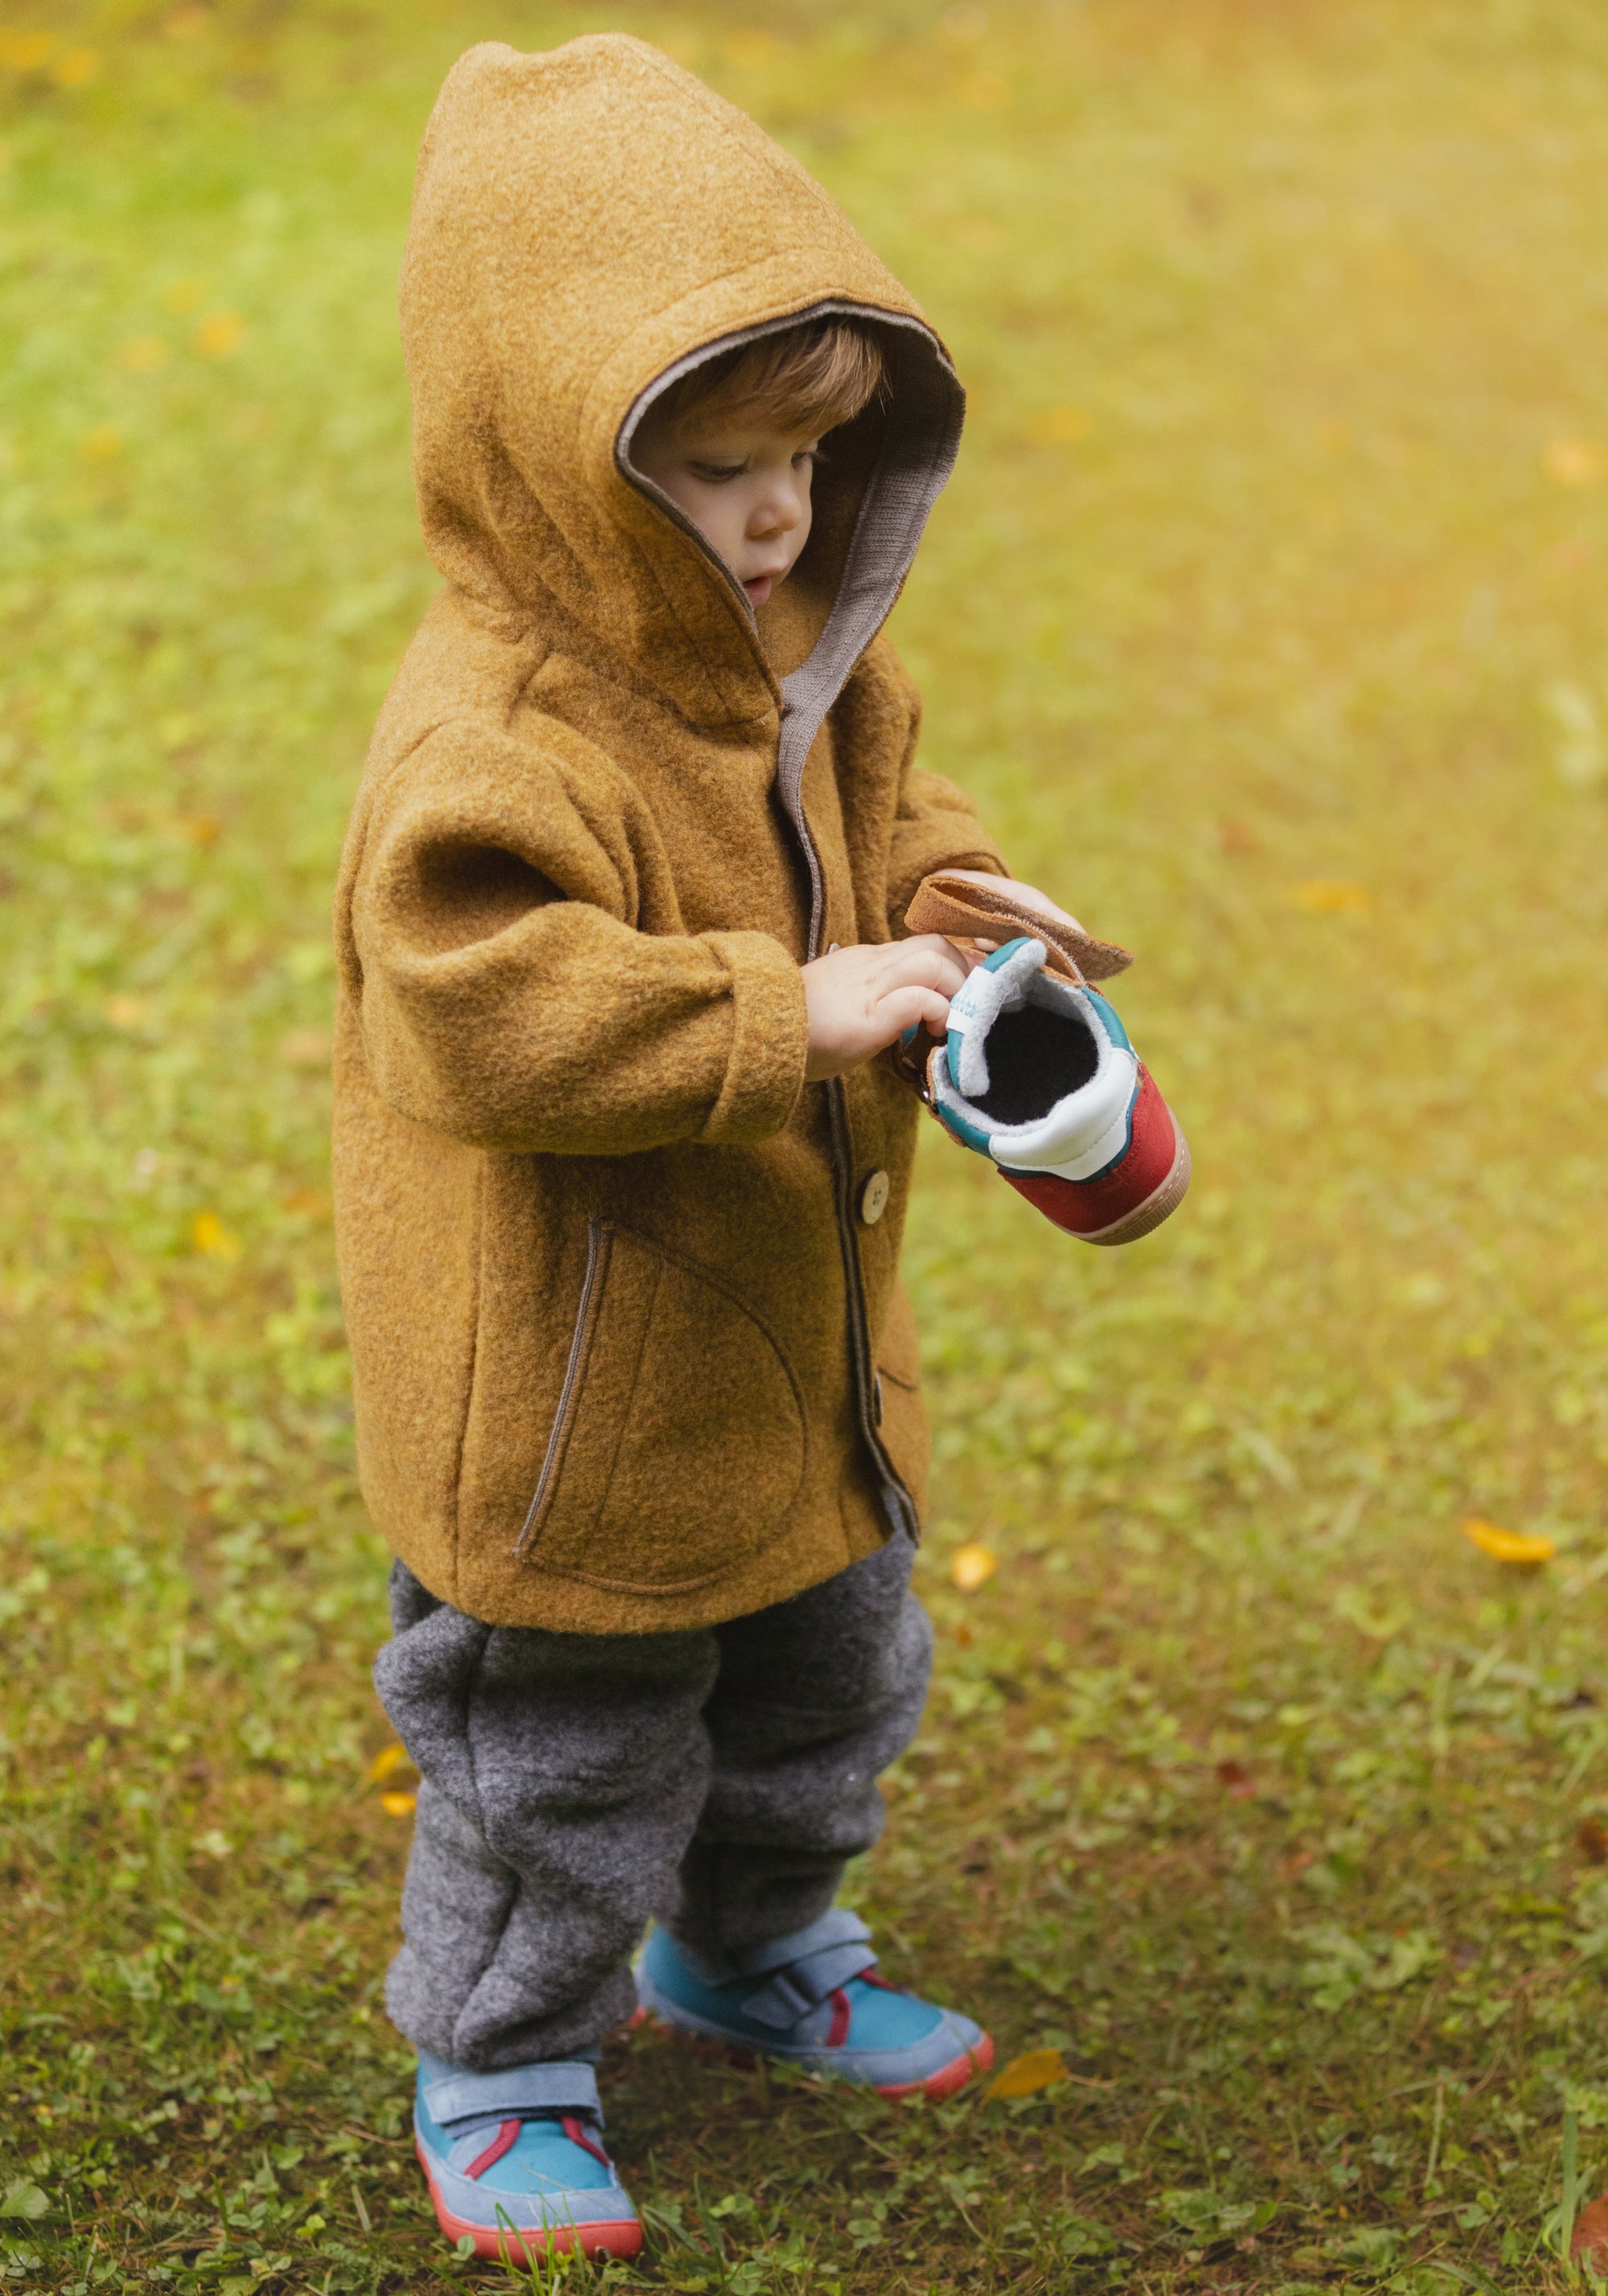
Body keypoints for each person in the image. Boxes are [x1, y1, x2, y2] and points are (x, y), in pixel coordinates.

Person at [332, 32, 1084, 2262]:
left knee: (827, 1670)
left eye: (814, 459)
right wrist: (782, 1009)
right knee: (560, 1737)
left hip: (793, 1327)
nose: (784, 517)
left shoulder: (813, 653)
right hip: (577, 1378)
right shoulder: (497, 737)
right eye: (731, 469)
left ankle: (751, 1949)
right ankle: (500, 2055)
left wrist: (946, 890)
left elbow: (881, 811)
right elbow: (479, 1006)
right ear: (553, 462)